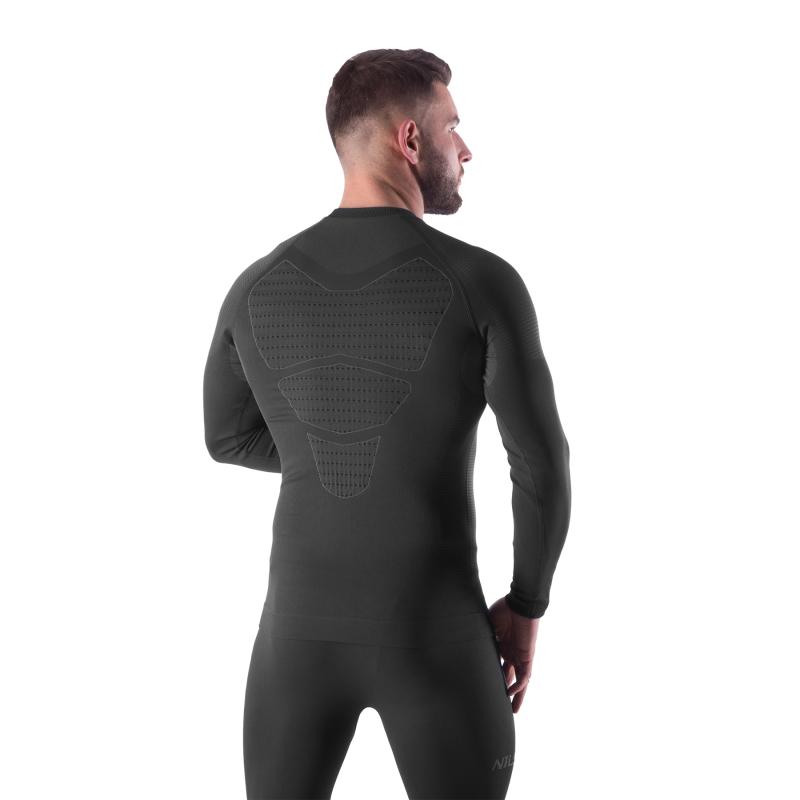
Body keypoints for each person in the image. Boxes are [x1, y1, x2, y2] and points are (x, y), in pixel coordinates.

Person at [203, 48, 572, 800]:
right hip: (438, 643)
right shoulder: (481, 282)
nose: (465, 149)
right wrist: (527, 604)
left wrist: (323, 450)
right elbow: (540, 468)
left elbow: (227, 436)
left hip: (293, 648)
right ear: (409, 139)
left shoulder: (257, 286)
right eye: (452, 127)